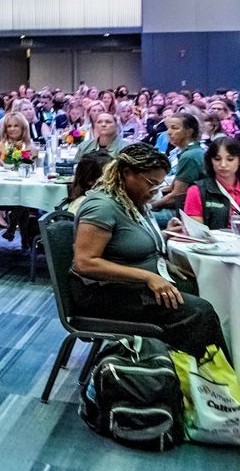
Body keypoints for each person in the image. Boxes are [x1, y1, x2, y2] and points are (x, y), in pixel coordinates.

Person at [71, 144, 226, 357]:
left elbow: (127, 242)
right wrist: (148, 276)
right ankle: (201, 377)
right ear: (127, 174)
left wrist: (162, 236)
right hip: (103, 293)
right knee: (199, 311)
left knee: (209, 288)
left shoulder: (130, 200)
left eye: (160, 185)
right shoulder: (102, 206)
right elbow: (85, 262)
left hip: (130, 286)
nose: (155, 192)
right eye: (151, 184)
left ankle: (197, 368)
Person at [180, 136, 240, 231]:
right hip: (212, 245)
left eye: (230, 159)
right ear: (210, 161)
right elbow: (196, 233)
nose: (223, 165)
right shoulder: (197, 191)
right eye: (217, 159)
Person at [149, 111, 204, 220]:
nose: (169, 132)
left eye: (174, 128)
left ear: (189, 132)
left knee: (136, 219)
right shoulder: (189, 151)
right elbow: (170, 188)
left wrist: (148, 206)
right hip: (178, 206)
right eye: (168, 128)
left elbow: (176, 196)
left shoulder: (190, 156)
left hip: (183, 213)